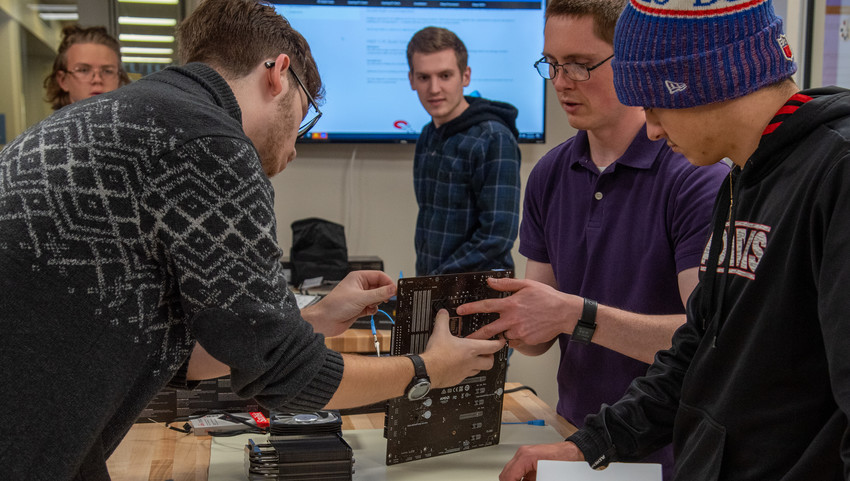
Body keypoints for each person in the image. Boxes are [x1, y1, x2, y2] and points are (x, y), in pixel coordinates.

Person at [0, 0, 505, 479]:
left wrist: (313, 319)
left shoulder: (102, 119)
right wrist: (430, 369)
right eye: (303, 118)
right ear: (278, 74)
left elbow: (172, 353)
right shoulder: (211, 142)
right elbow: (286, 376)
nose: (294, 145)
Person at [496, 0, 850, 479]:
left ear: (709, 83)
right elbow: (699, 347)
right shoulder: (742, 180)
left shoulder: (837, 173)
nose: (654, 128)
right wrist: (591, 446)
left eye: (655, 106)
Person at [459, 0, 728, 478]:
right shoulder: (549, 174)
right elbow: (538, 339)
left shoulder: (695, 177)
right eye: (553, 64)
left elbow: (708, 341)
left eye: (581, 65)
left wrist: (575, 315)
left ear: (631, 61)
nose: (562, 82)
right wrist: (485, 322)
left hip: (670, 454)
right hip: (575, 439)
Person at [407, 26, 521, 276]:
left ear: (465, 76)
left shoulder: (493, 137)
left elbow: (497, 235)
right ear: (412, 79)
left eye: (445, 75)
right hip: (434, 284)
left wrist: (435, 280)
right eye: (424, 77)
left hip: (480, 295)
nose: (434, 88)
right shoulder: (428, 134)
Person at [43, 24, 131, 110]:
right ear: (63, 80)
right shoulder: (48, 125)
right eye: (83, 70)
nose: (97, 80)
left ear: (119, 79)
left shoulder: (137, 123)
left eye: (107, 71)